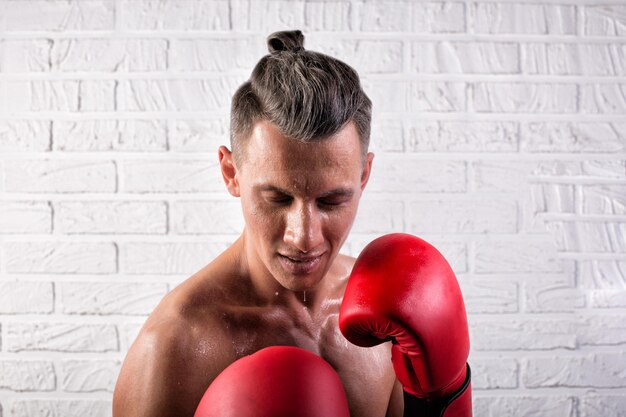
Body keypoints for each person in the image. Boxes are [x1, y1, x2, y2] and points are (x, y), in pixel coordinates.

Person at [113, 30, 471, 417]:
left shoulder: (390, 319)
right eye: (278, 198)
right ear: (231, 172)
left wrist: (446, 395)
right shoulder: (176, 346)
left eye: (332, 200)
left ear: (364, 176)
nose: (304, 236)